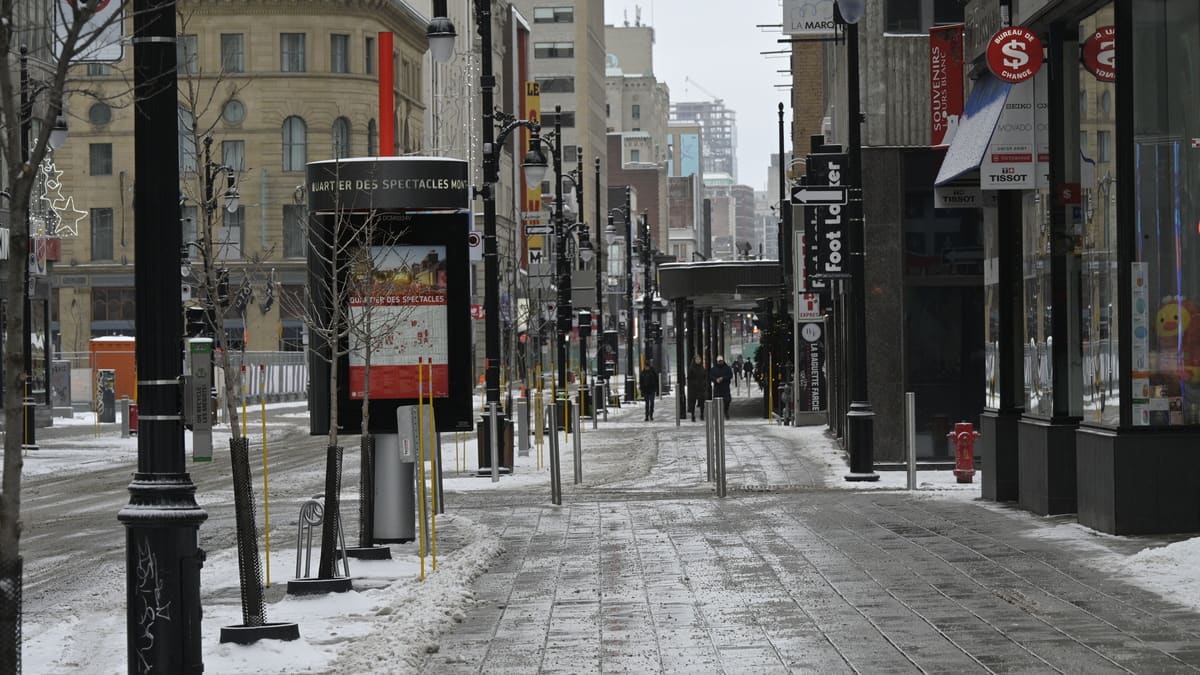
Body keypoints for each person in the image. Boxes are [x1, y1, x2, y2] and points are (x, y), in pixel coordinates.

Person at [687, 354, 708, 421]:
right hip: (693, 389)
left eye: (699, 359)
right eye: (697, 359)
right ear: (694, 360)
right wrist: (693, 383)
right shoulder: (691, 368)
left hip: (701, 388)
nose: (698, 360)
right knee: (693, 402)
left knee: (702, 402)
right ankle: (693, 415)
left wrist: (704, 384)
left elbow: (705, 376)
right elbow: (689, 378)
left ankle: (702, 414)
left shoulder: (702, 368)